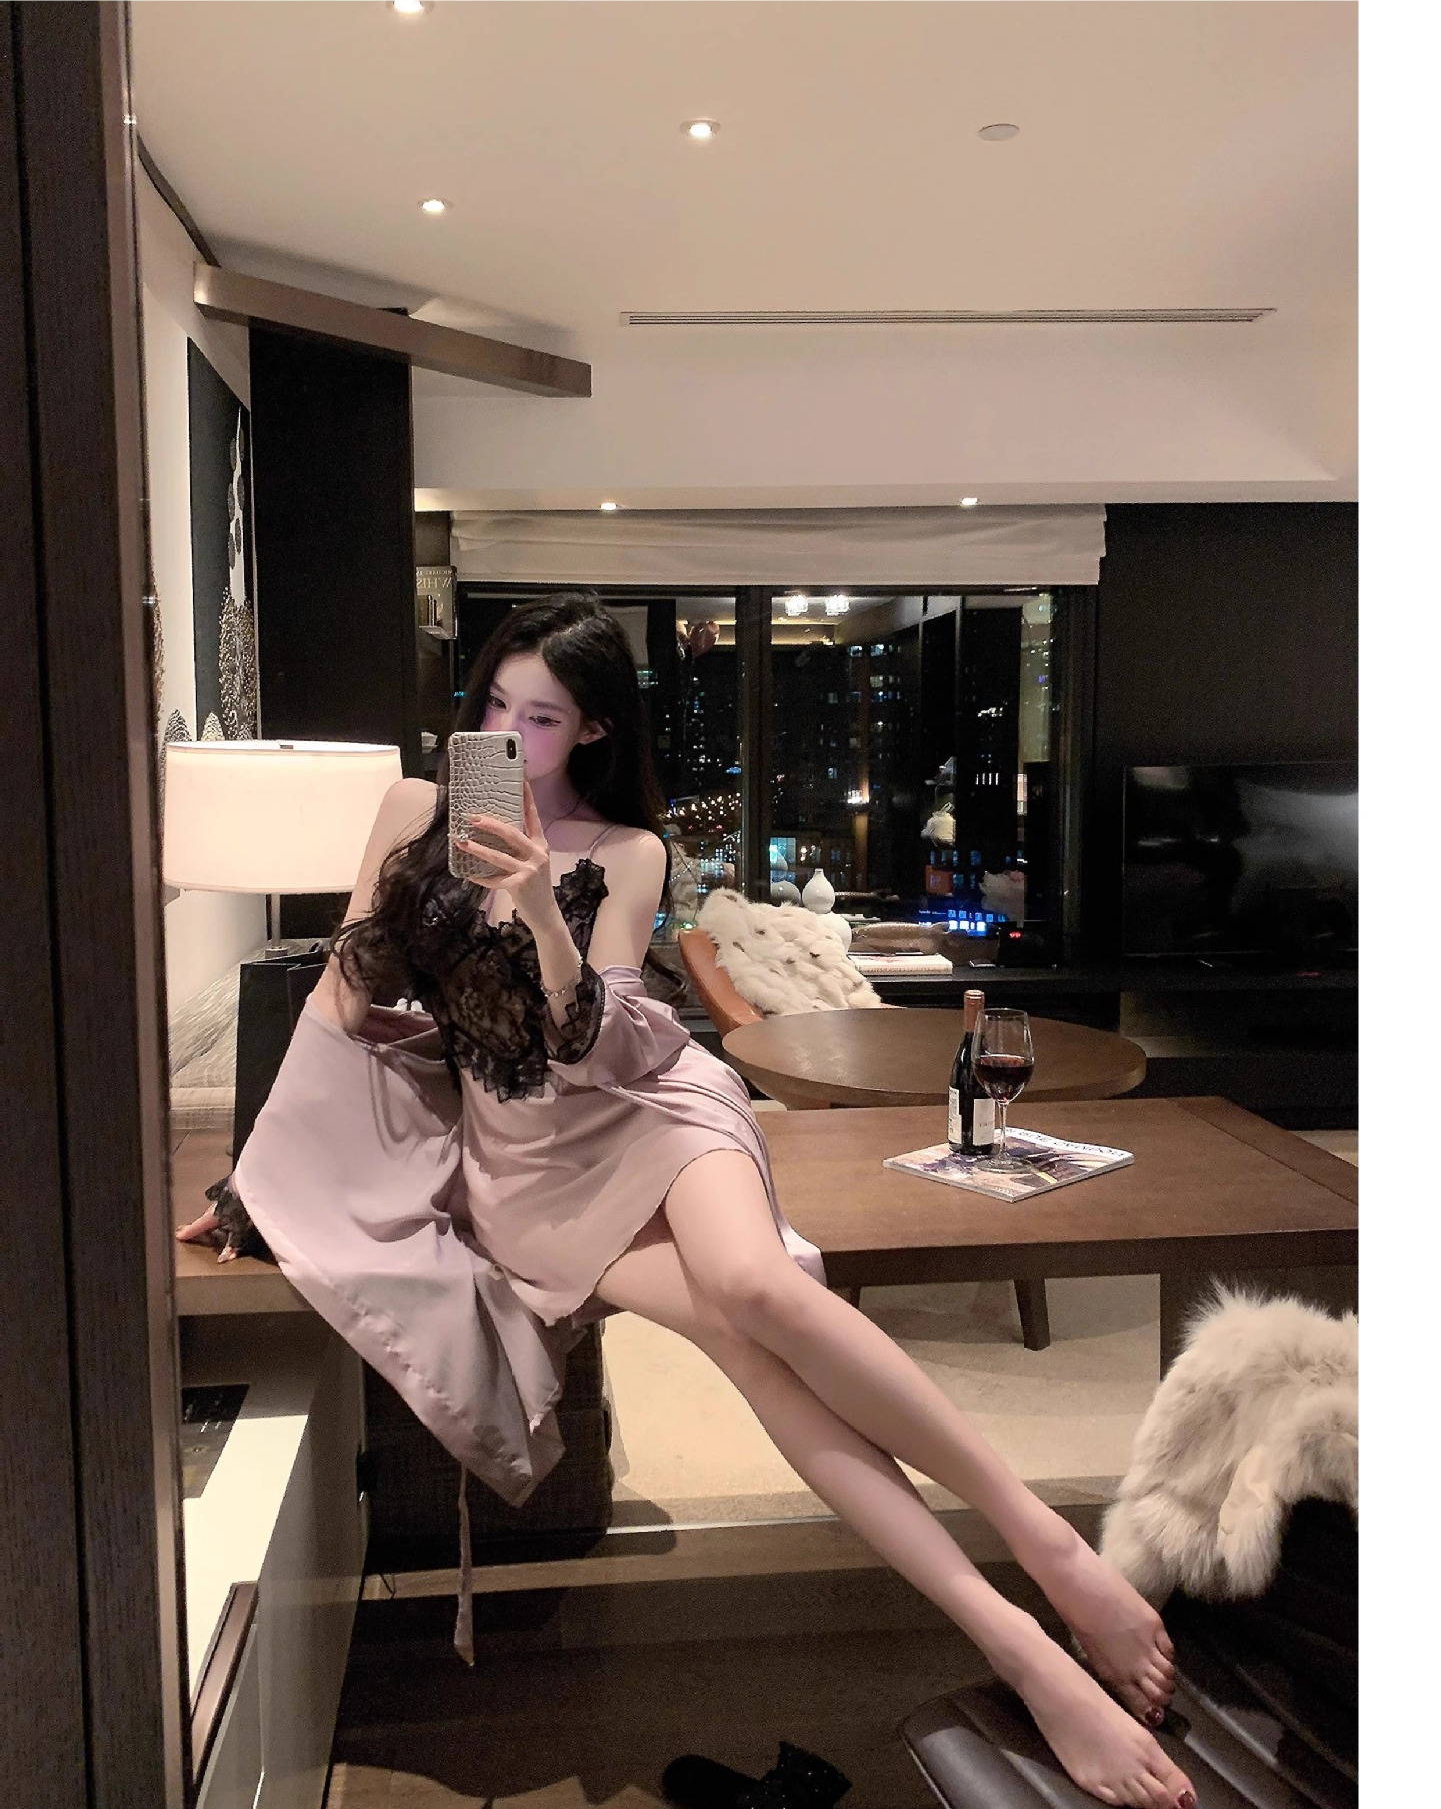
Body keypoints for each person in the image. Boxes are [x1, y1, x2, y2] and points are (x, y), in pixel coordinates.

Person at [177, 591, 1194, 1809]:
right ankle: (1016, 1641)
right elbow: (342, 998)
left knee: (756, 1285)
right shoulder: (410, 810)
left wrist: (543, 900)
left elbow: (594, 1041)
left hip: (653, 1106)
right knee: (748, 1345)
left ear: (594, 728)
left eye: (541, 715)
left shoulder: (630, 851)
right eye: (495, 702)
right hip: (529, 1171)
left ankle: (1050, 1546)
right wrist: (256, 1179)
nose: (509, 730)